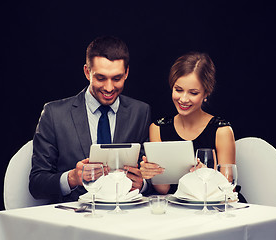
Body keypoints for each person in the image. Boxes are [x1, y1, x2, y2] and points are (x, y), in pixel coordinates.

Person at [29, 36, 152, 203]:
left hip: (125, 214)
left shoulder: (140, 112)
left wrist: (142, 184)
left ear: (127, 73)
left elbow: (150, 173)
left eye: (117, 78)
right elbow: (36, 184)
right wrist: (72, 178)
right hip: (76, 216)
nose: (109, 88)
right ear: (87, 72)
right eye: (101, 78)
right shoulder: (54, 114)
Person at [140, 52, 236, 195]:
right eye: (178, 90)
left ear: (206, 93)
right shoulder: (158, 128)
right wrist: (152, 172)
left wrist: (208, 175)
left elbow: (229, 190)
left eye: (193, 93)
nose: (183, 99)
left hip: (214, 210)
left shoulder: (221, 131)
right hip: (176, 209)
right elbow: (163, 189)